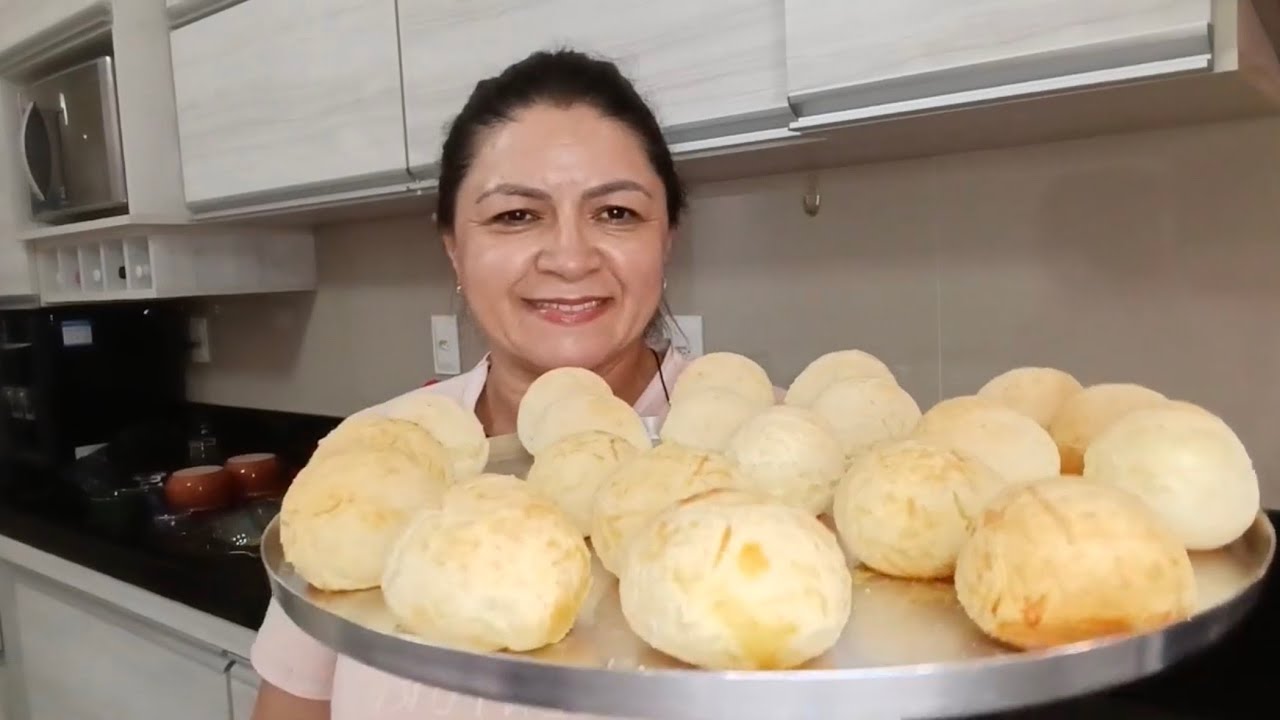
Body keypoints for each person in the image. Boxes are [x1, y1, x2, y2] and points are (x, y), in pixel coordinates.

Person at [251, 48, 693, 720]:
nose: (570, 258)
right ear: (454, 248)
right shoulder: (371, 464)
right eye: (516, 216)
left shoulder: (765, 464)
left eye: (617, 214)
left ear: (666, 240)